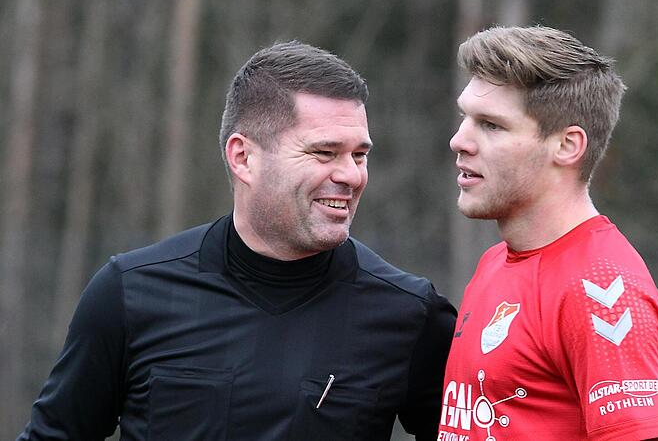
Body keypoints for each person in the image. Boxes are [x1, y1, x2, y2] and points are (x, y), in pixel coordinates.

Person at [19, 41, 456, 441]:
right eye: (324, 153)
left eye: (359, 155)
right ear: (243, 157)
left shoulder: (409, 313)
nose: (351, 175)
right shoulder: (130, 292)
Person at [437, 26, 658, 441]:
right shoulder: (496, 261)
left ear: (567, 146)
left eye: (491, 125)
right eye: (465, 118)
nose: (460, 140)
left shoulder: (601, 291)